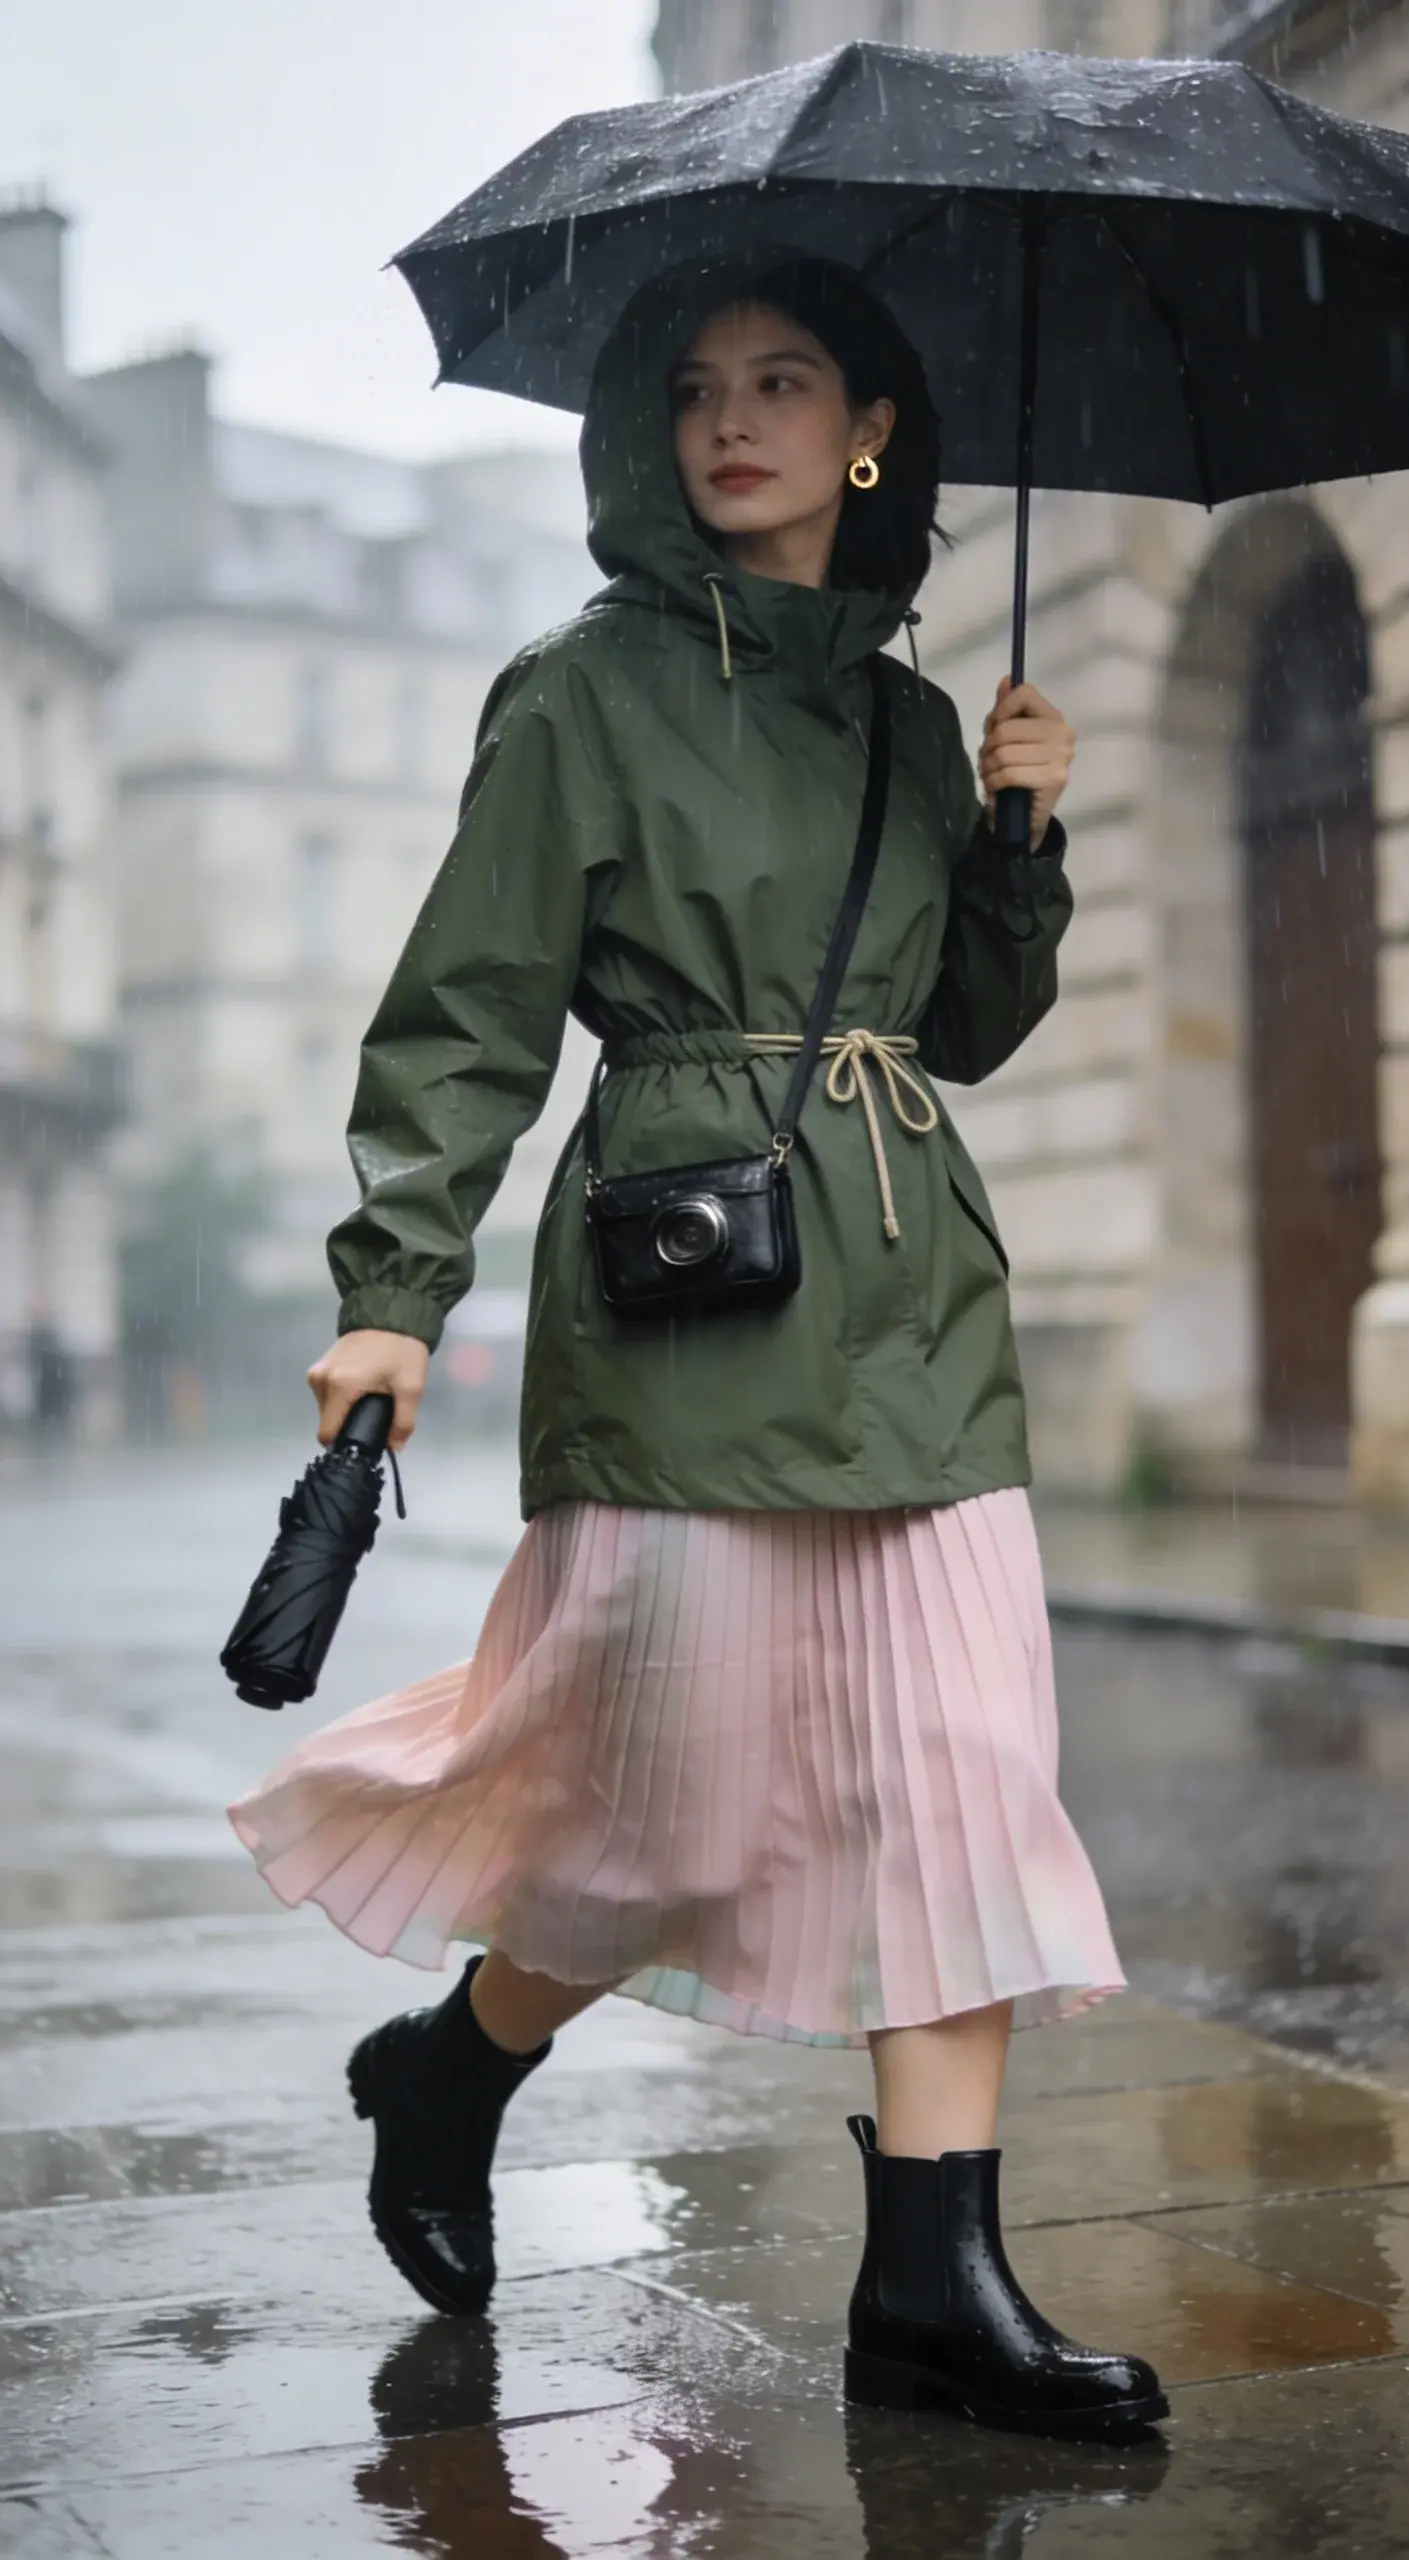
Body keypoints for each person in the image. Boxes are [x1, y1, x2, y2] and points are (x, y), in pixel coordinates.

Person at [230, 254, 1167, 2444]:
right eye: (696, 389)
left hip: (914, 1291)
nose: (730, 419)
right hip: (682, 1297)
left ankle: (937, 2282)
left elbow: (958, 1033)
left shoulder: (922, 721)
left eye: (786, 382)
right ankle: (456, 2060)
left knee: (958, 1775)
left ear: (869, 431)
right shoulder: (580, 692)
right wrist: (392, 1290)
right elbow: (465, 1006)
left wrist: (1021, 836)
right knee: (662, 1806)